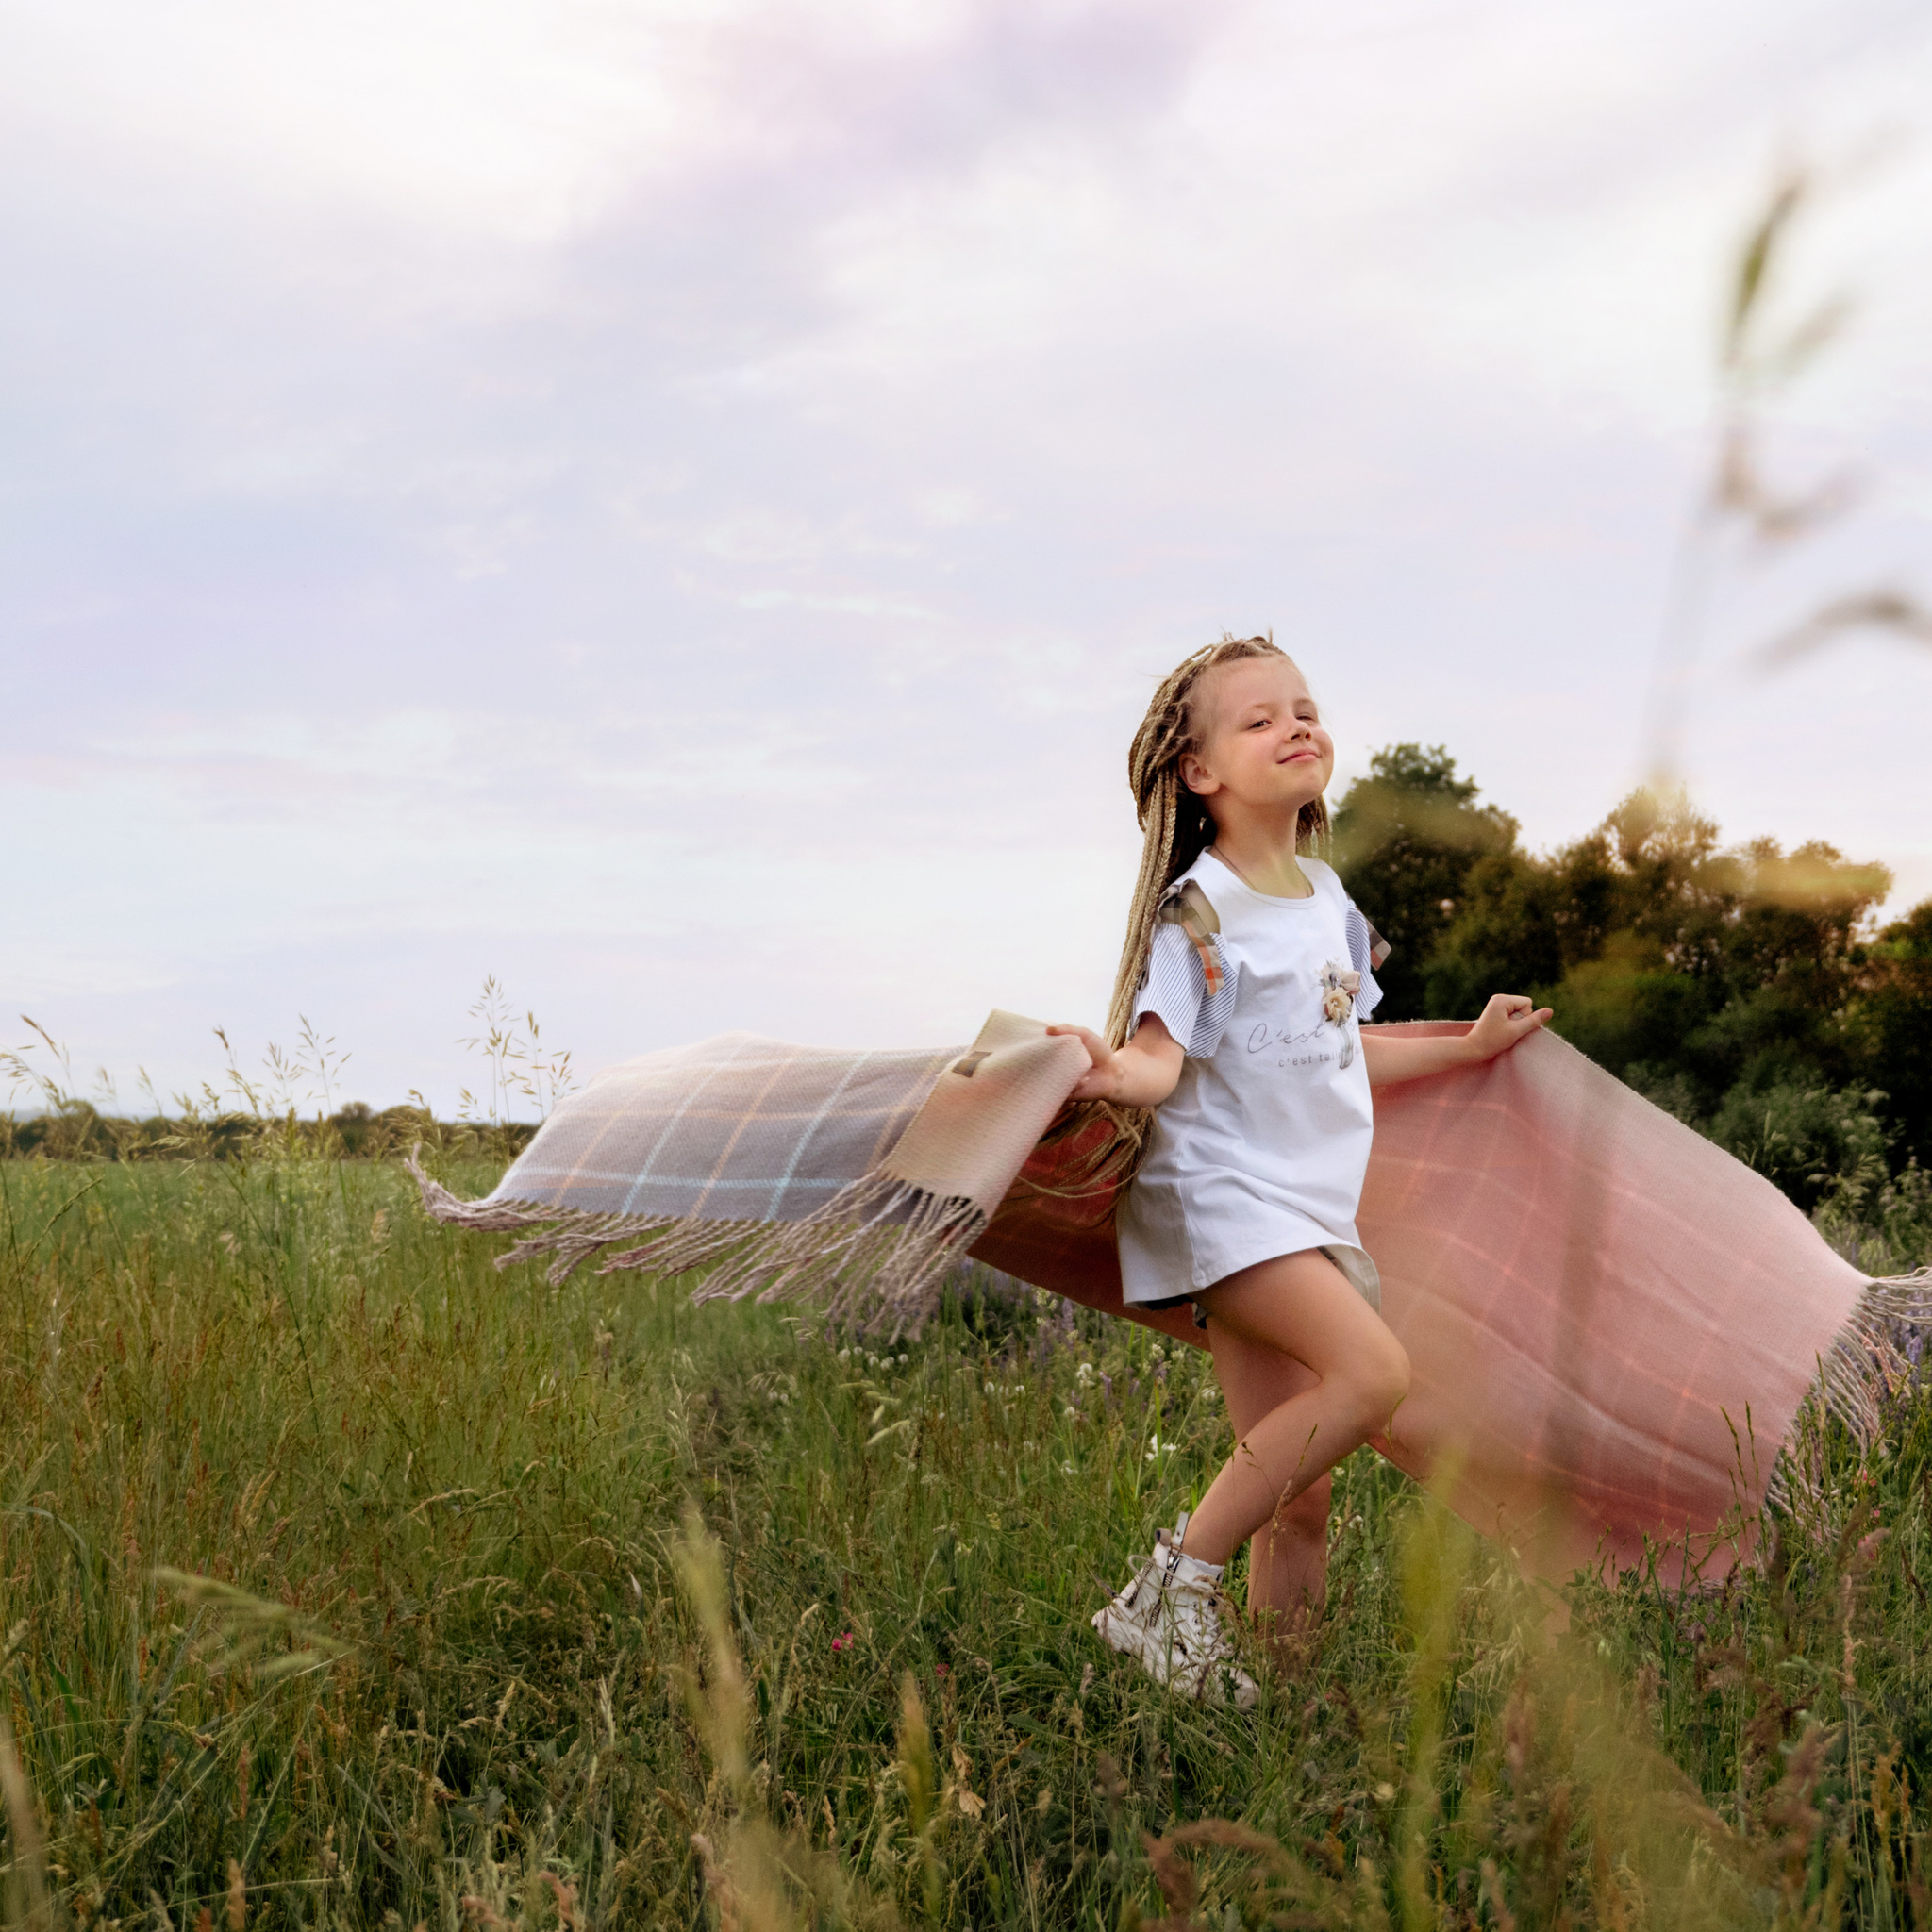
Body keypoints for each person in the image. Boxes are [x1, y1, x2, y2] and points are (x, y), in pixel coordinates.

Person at [1048, 636, 1551, 1706]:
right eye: (1259, 718)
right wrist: (1105, 1070)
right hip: (1217, 1199)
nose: (1295, 726)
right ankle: (1170, 1586)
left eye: (1304, 708)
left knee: (1303, 1495)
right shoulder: (1196, 914)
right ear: (1199, 772)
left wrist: (1463, 1046)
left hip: (1303, 1209)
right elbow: (1154, 1059)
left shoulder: (1324, 899)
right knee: (1371, 1377)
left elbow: (1337, 1045)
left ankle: (1281, 1712)